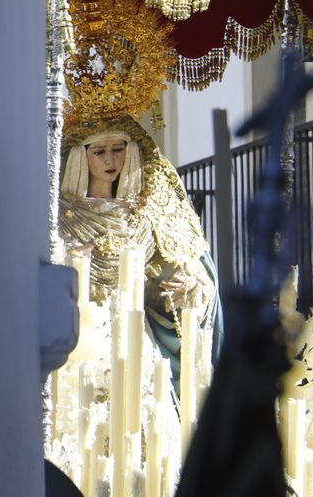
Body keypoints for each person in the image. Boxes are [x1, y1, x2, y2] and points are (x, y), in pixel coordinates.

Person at [58, 112, 222, 392]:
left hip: (134, 343)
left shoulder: (149, 214)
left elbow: (180, 272)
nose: (110, 160)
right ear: (80, 156)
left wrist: (189, 288)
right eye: (99, 152)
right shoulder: (59, 215)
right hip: (78, 344)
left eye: (118, 150)